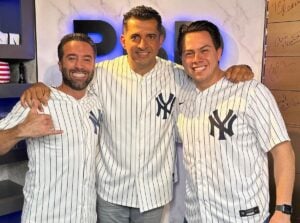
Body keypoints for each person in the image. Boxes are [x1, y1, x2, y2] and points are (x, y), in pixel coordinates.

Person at [20, 6, 254, 223]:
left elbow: (208, 77)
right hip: (110, 191)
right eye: (135, 37)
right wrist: (39, 86)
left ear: (160, 39)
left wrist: (235, 71)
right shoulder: (101, 74)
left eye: (151, 36)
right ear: (123, 40)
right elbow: (72, 82)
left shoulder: (179, 75)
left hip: (153, 193)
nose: (143, 44)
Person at [176, 20, 295, 223]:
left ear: (219, 52)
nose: (197, 59)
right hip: (196, 216)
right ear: (182, 58)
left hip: (244, 218)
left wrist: (283, 211)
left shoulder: (250, 91)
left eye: (204, 50)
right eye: (189, 53)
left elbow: (283, 152)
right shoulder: (182, 95)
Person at [0, 33, 101, 223]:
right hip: (45, 216)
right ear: (60, 64)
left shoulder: (96, 103)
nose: (79, 66)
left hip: (86, 217)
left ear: (93, 64)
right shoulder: (37, 101)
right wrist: (20, 130)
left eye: (86, 59)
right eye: (71, 58)